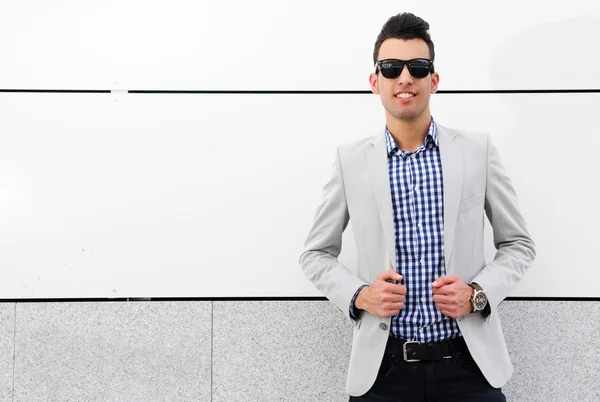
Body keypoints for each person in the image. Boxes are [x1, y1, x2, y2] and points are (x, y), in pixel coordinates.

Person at [299, 12, 536, 401]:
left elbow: (519, 245)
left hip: (468, 366)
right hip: (384, 370)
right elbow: (315, 254)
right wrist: (360, 295)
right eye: (391, 68)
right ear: (375, 82)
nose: (404, 77)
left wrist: (477, 294)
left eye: (418, 67)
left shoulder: (477, 151)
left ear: (434, 80)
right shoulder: (350, 161)